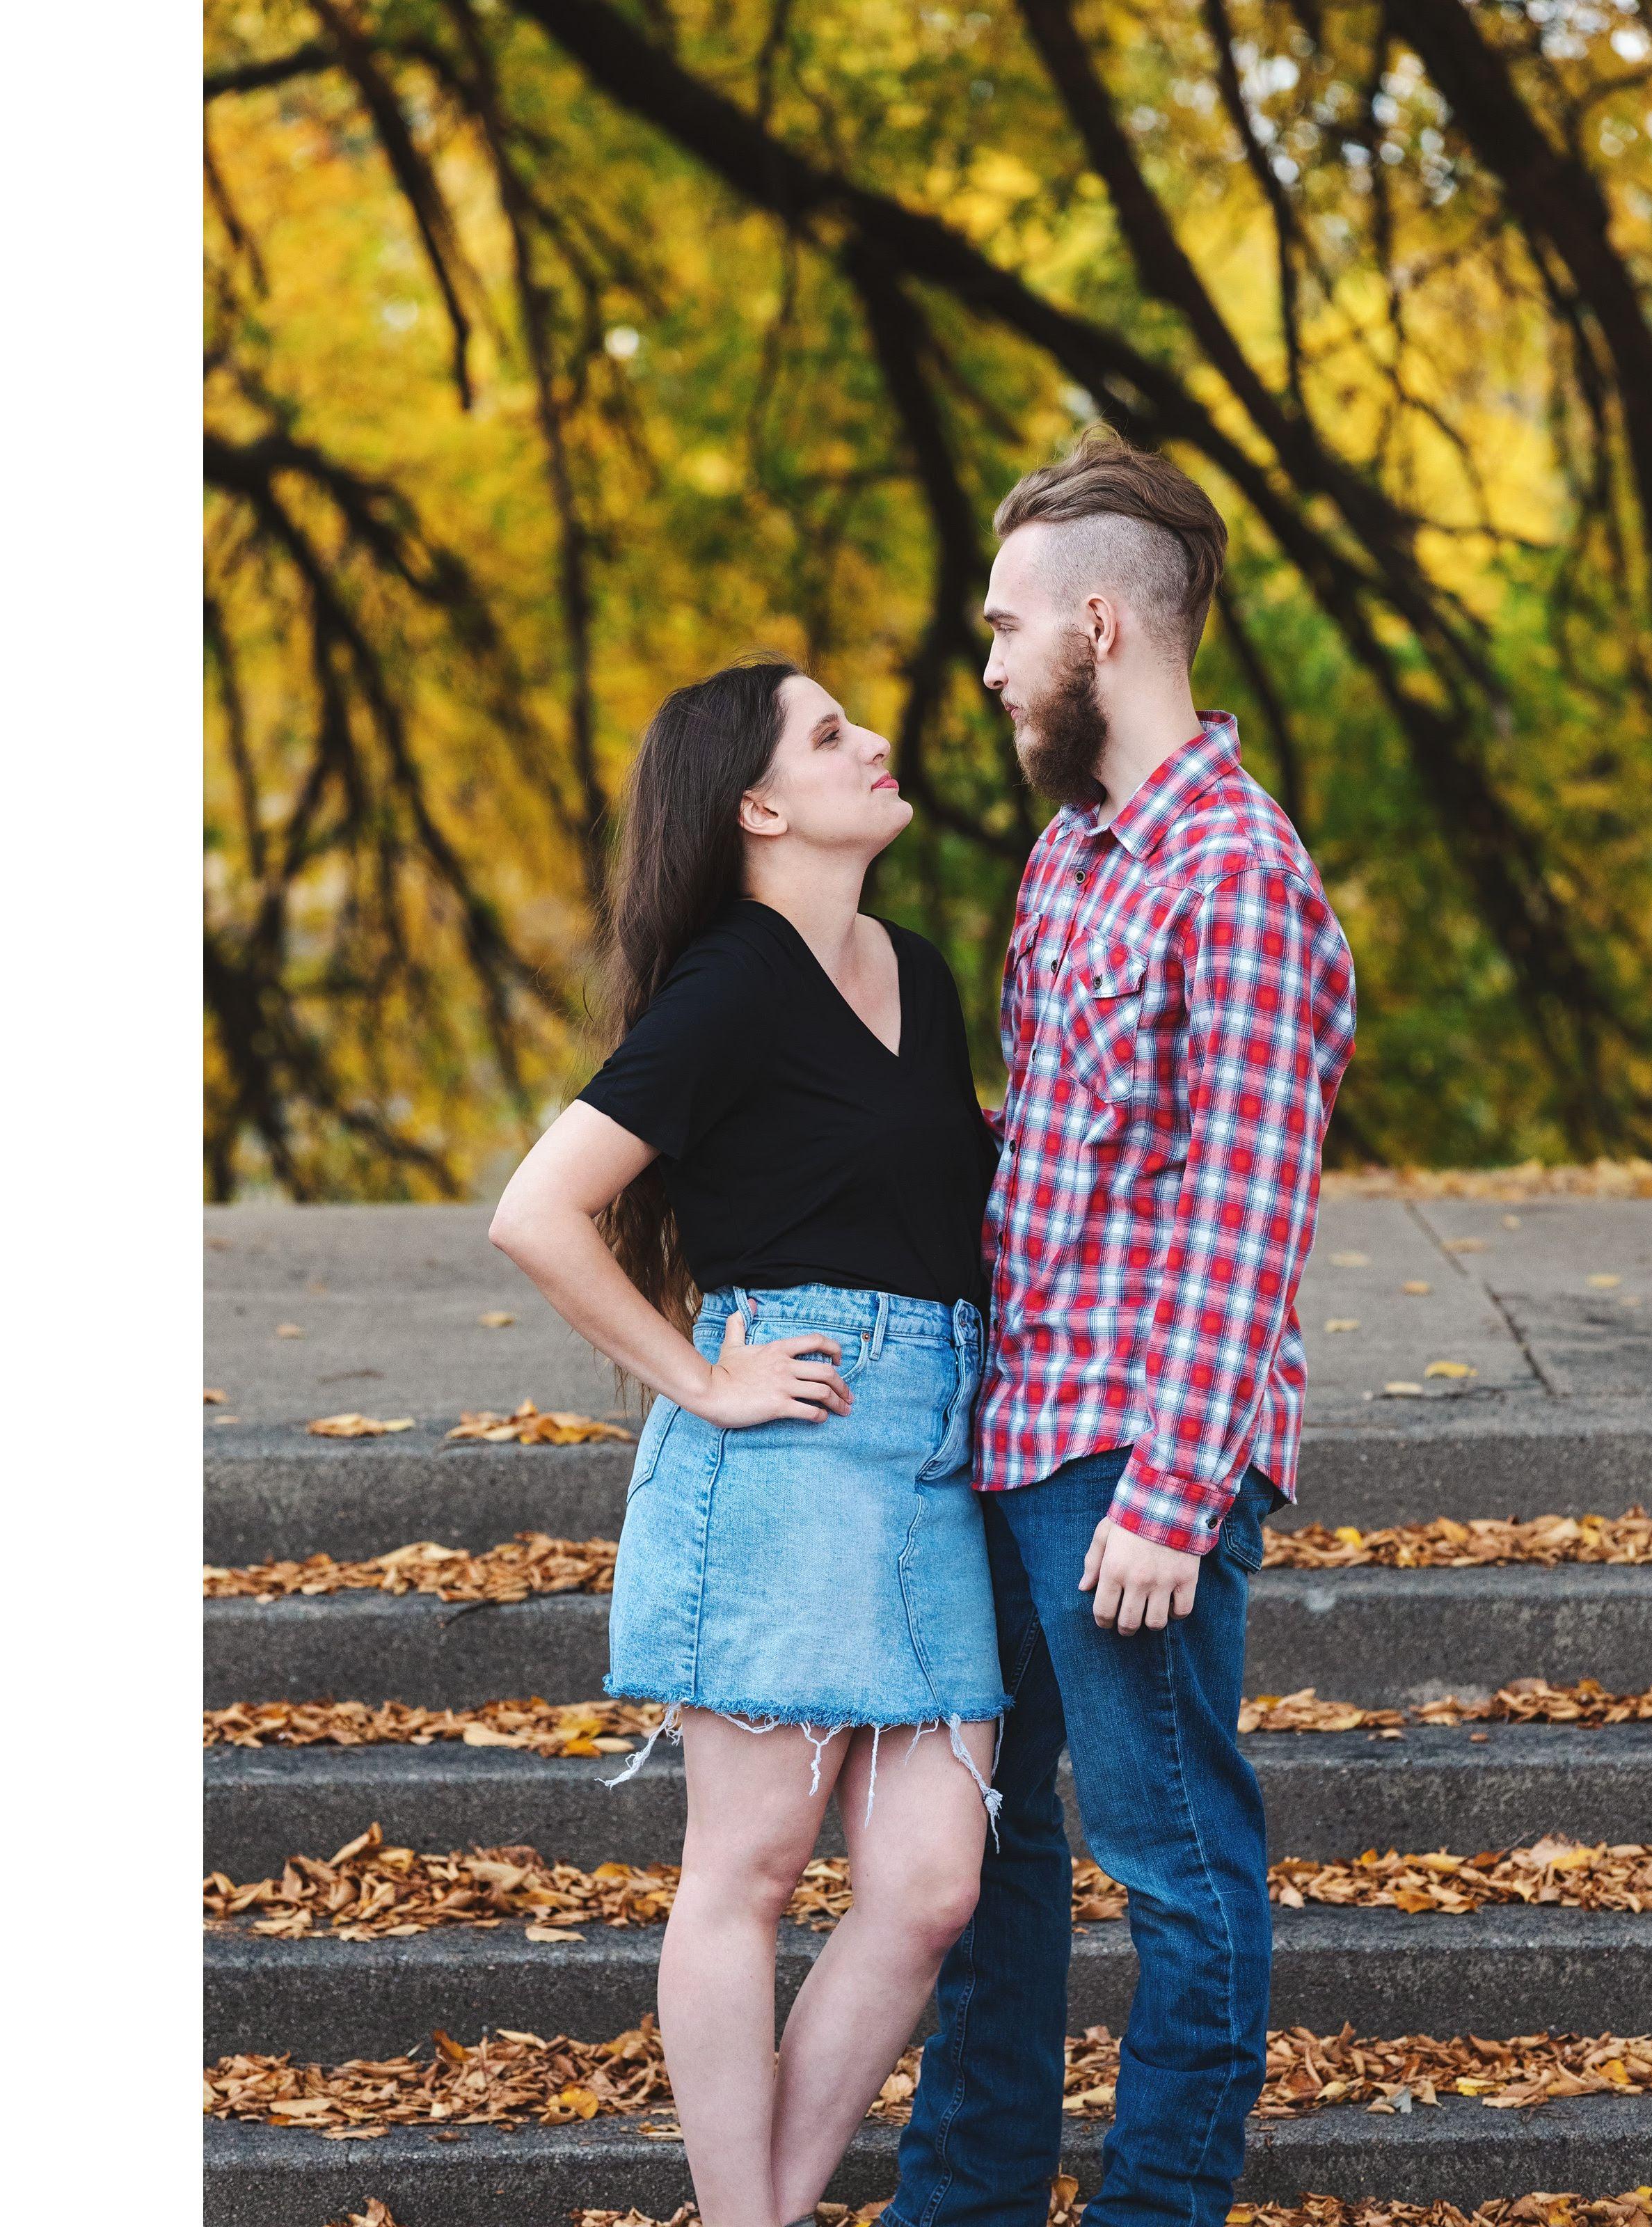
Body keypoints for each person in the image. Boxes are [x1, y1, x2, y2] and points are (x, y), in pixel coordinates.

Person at [884, 428, 1358, 2227]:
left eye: (1005, 628)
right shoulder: (1074, 858)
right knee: (989, 1855)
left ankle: (1160, 2207)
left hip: (1132, 1467)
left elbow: (1245, 1203)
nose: (988, 668)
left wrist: (1172, 1493)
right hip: (1016, 1439)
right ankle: (968, 2199)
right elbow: (1044, 1168)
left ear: (1100, 625)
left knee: (1177, 1864)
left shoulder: (1237, 873)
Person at [488, 658, 1007, 2227]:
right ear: (760, 808)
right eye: (831, 734)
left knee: (930, 1884)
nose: (877, 742)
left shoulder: (914, 968)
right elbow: (537, 1210)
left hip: (932, 1456)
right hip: (788, 1455)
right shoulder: (731, 985)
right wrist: (700, 1382)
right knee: (750, 1869)